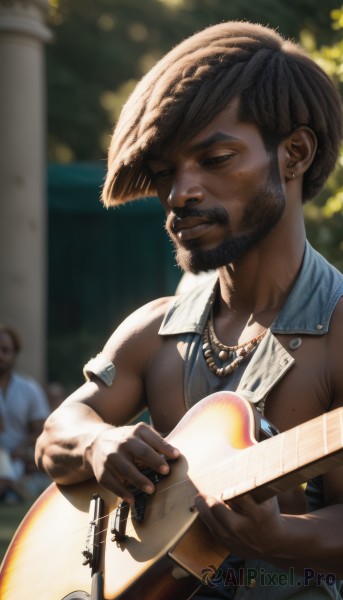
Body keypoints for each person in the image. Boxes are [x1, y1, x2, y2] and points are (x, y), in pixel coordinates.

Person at [36, 21, 343, 599]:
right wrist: (99, 445)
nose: (181, 193)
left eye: (216, 158)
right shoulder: (155, 327)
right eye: (165, 172)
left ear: (294, 155)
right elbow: (57, 433)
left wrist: (280, 538)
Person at [0, 324, 50, 501]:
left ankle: (11, 487)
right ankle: (12, 488)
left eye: (5, 350)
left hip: (19, 460)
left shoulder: (29, 389)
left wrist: (21, 449)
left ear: (14, 354)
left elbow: (42, 430)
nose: (1, 356)